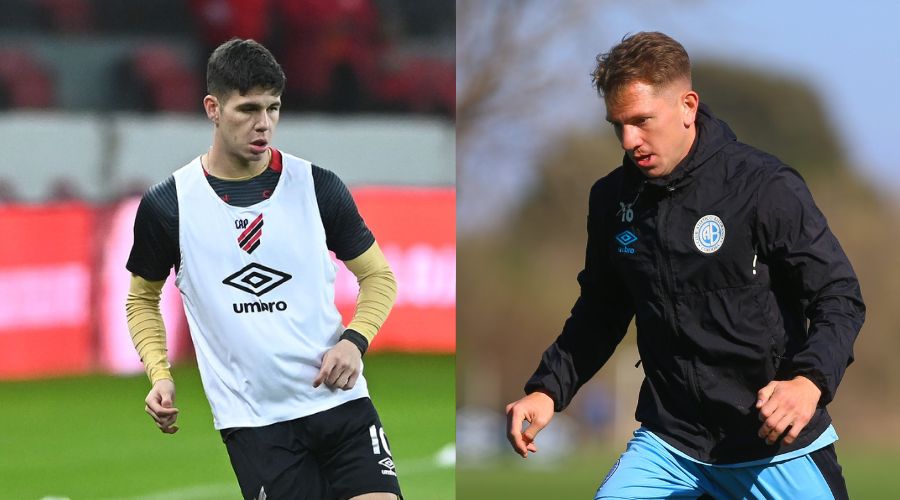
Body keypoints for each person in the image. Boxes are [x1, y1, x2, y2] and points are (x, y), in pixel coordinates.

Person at [505, 31, 864, 499]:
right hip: (671, 442)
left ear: (687, 106)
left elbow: (840, 296)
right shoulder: (613, 200)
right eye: (618, 125)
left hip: (773, 442)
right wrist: (547, 389)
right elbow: (601, 311)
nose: (630, 140)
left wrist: (808, 381)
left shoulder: (764, 186)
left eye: (642, 121)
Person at [125, 38, 402, 500]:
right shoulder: (169, 205)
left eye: (273, 108)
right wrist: (160, 373)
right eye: (248, 109)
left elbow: (379, 276)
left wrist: (355, 341)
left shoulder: (317, 187)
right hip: (255, 424)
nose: (264, 124)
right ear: (213, 108)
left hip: (340, 405)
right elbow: (141, 299)